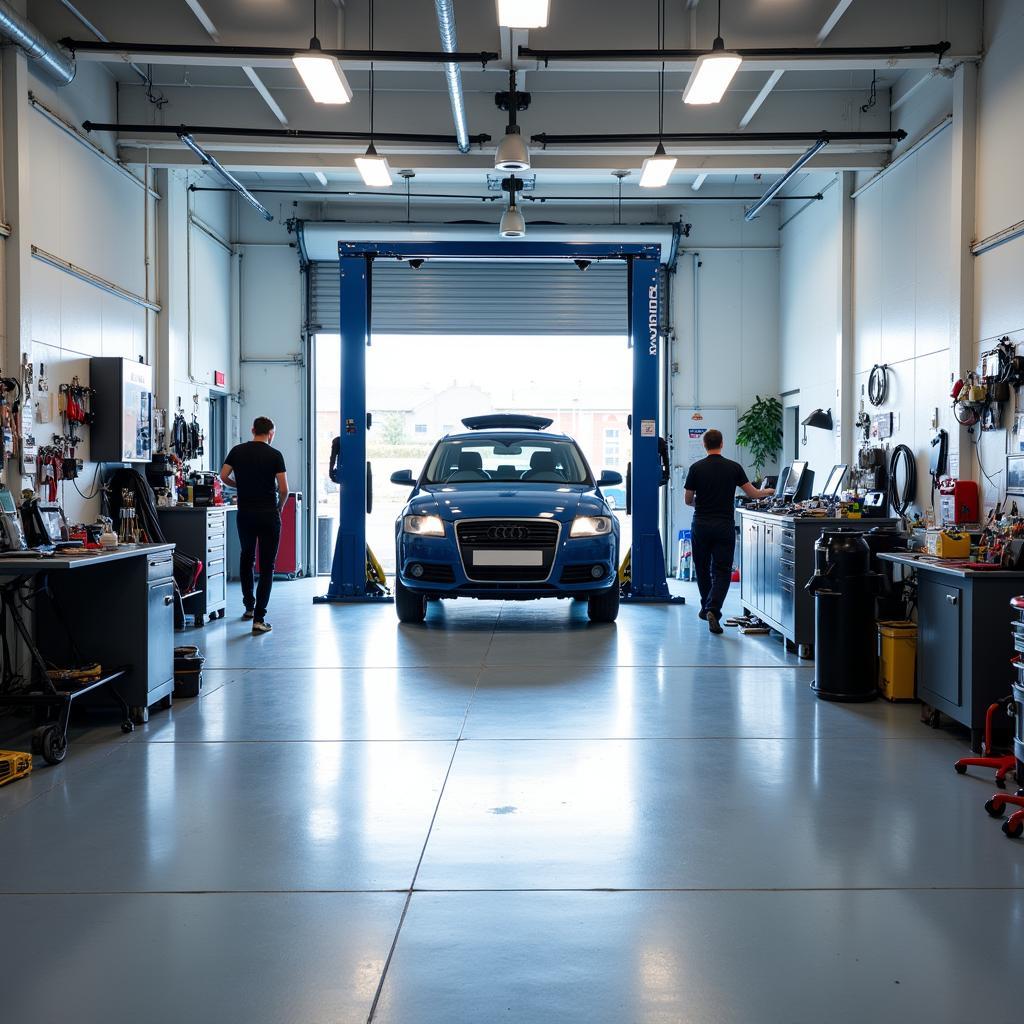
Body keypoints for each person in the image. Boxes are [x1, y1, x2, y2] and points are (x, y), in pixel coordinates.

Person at [683, 429, 774, 635]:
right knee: (722, 571)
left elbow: (688, 500)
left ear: (704, 445)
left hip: (701, 525)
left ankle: (706, 607)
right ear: (722, 444)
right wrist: (769, 492)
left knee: (702, 567)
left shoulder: (696, 468)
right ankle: (713, 608)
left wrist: (702, 503)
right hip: (724, 525)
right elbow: (753, 494)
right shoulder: (733, 467)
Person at [220, 417, 289, 635]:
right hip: (269, 515)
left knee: (247, 557)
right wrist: (279, 508)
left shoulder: (237, 451)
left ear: (252, 430)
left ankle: (249, 606)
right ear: (271, 433)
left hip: (246, 514)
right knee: (267, 565)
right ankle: (259, 619)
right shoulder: (275, 455)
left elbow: (223, 476)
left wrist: (239, 485)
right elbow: (284, 488)